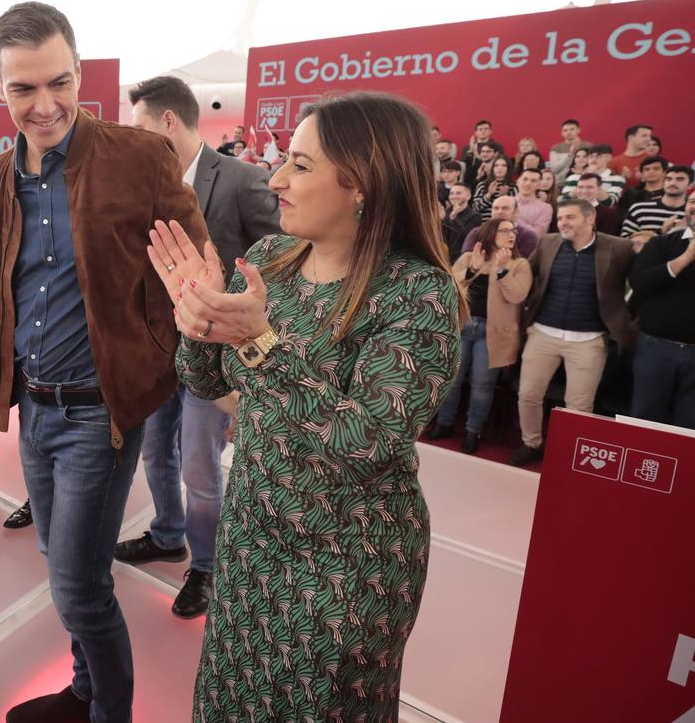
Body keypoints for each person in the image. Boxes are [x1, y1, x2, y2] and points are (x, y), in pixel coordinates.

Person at [0, 2, 208, 723]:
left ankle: (108, 712)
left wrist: (166, 354)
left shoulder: (139, 158)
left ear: (80, 73)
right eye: (23, 89)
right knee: (58, 562)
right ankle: (83, 691)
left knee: (77, 586)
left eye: (59, 82)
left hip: (102, 413)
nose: (44, 105)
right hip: (33, 410)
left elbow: (198, 273)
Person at [158, 91, 463, 722]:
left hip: (346, 566)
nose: (276, 179)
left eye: (300, 164)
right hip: (253, 541)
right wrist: (198, 318)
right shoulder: (272, 259)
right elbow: (203, 380)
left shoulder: (416, 293)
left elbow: (364, 445)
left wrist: (257, 342)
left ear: (363, 184)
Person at [113, 74, 281, 619]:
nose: (134, 138)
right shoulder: (141, 183)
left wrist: (241, 327)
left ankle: (207, 566)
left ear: (167, 121)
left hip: (215, 354)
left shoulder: (239, 179)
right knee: (155, 452)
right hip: (157, 351)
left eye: (140, 125)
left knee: (201, 470)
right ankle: (167, 533)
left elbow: (281, 263)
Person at [513, 199, 635, 465]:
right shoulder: (548, 243)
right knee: (528, 394)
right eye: (560, 218)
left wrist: (626, 322)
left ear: (590, 219)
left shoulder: (620, 248)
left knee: (579, 406)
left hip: (588, 340)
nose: (563, 223)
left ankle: (568, 453)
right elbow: (526, 275)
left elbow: (640, 284)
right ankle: (531, 443)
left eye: (570, 217)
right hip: (542, 333)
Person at [628, 185, 695, 428]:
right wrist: (687, 257)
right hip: (655, 348)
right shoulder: (661, 243)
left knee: (694, 423)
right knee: (644, 417)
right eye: (693, 201)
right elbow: (640, 282)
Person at [428, 219, 530, 453]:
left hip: (494, 333)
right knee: (451, 380)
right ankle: (444, 423)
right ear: (491, 233)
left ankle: (473, 431)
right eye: (504, 230)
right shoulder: (468, 257)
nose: (511, 234)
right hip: (463, 326)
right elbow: (449, 287)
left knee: (482, 385)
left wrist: (503, 270)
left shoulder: (519, 264)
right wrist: (473, 268)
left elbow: (517, 296)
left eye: (513, 230)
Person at [622, 164, 691, 236]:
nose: (672, 183)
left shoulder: (692, 214)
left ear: (690, 185)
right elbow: (626, 241)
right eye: (668, 179)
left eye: (680, 179)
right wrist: (661, 232)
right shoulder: (639, 209)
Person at [461, 194, 539, 258]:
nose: (499, 212)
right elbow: (466, 258)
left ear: (516, 212)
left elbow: (523, 262)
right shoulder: (477, 232)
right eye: (496, 208)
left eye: (505, 208)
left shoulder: (527, 235)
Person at [472, 154, 516, 221]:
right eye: (496, 165)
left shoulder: (513, 186)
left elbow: (515, 209)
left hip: (504, 222)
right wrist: (488, 195)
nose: (499, 168)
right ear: (493, 168)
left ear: (508, 168)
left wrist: (505, 196)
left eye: (504, 166)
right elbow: (475, 208)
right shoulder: (482, 185)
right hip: (484, 224)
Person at [442, 182, 478, 261]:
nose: (454, 196)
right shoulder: (444, 213)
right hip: (443, 256)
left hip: (461, 258)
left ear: (468, 196)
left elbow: (467, 237)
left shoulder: (475, 216)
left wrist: (454, 218)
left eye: (458, 193)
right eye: (451, 193)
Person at [514, 168, 553, 238]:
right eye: (525, 179)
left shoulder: (545, 208)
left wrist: (515, 219)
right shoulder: (504, 202)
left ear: (539, 185)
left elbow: (537, 234)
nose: (528, 183)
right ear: (517, 181)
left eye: (533, 181)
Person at [615, 124, 654, 189]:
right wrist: (622, 178)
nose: (649, 139)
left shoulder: (654, 160)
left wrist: (645, 178)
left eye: (649, 136)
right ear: (631, 138)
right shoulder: (614, 162)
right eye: (644, 136)